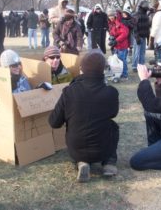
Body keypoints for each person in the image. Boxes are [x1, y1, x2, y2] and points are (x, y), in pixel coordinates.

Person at [49, 49, 119, 182]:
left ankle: (82, 162)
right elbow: (113, 113)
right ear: (103, 70)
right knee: (113, 126)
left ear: (82, 69)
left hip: (76, 149)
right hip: (102, 148)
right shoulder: (111, 92)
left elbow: (54, 122)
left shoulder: (69, 91)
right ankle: (109, 162)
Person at [107, 9, 129, 80]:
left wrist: (116, 40)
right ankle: (118, 73)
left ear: (115, 15)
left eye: (112, 16)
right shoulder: (111, 23)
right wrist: (111, 38)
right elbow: (113, 32)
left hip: (122, 45)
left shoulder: (119, 22)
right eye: (109, 16)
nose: (111, 17)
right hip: (116, 45)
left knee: (122, 60)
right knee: (117, 60)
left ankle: (124, 75)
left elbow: (124, 33)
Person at [131, 1, 151, 72]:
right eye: (146, 5)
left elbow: (147, 26)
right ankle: (134, 66)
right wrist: (137, 37)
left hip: (144, 36)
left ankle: (141, 65)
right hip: (138, 37)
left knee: (142, 52)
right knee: (137, 52)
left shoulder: (145, 14)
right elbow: (134, 27)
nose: (147, 6)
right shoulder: (136, 15)